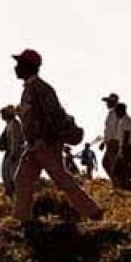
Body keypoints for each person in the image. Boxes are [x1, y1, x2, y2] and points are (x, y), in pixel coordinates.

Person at [11, 49, 102, 228]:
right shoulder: (30, 89)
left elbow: (54, 115)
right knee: (23, 178)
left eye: (19, 64)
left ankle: (94, 212)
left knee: (61, 179)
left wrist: (47, 139)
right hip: (34, 146)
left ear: (28, 67)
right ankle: (23, 220)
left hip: (45, 144)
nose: (16, 67)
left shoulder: (41, 89)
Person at [0, 105, 25, 198]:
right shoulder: (8, 125)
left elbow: (16, 140)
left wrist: (14, 153)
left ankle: (16, 196)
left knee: (12, 175)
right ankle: (11, 194)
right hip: (10, 152)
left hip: (15, 152)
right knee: (5, 173)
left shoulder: (14, 124)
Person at [113, 103, 131, 189]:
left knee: (120, 171)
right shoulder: (123, 121)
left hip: (127, 148)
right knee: (119, 171)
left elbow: (126, 136)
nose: (116, 113)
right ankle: (127, 186)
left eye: (117, 111)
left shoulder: (126, 121)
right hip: (124, 148)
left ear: (122, 111)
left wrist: (123, 151)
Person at [100, 93, 122, 186]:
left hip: (114, 142)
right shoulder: (112, 113)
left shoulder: (117, 113)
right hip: (111, 142)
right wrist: (104, 142)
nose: (107, 104)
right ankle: (116, 184)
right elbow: (108, 130)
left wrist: (116, 143)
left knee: (108, 164)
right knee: (107, 164)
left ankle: (117, 185)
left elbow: (116, 130)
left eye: (109, 102)